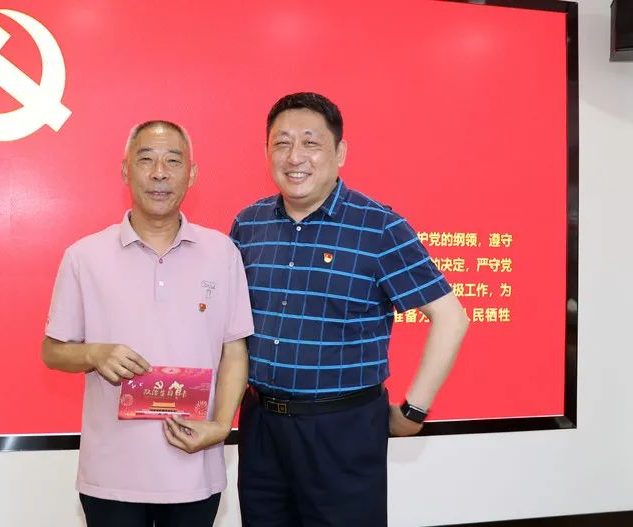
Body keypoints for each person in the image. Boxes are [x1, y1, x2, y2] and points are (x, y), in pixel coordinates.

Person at [230, 92, 469, 526]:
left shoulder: (379, 226)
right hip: (261, 426)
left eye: (311, 142)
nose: (295, 156)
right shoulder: (248, 225)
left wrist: (414, 411)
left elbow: (451, 317)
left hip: (343, 430)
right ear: (266, 152)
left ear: (339, 153)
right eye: (282, 143)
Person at [42, 120, 253, 527]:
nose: (159, 173)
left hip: (193, 470)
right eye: (146, 160)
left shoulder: (222, 253)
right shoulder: (84, 256)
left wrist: (220, 425)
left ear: (191, 174)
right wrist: (93, 353)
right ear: (126, 171)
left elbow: (234, 350)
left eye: (173, 161)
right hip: (111, 476)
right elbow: (52, 351)